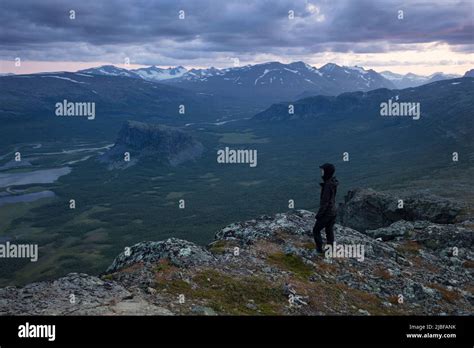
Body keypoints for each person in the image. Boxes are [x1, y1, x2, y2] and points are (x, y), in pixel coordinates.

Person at [313, 163, 338, 254]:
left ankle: (319, 250)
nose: (321, 172)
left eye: (323, 170)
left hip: (327, 213)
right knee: (329, 230)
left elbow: (325, 203)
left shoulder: (327, 185)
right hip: (333, 211)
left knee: (316, 230)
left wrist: (319, 215)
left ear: (327, 172)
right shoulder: (332, 183)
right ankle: (330, 250)